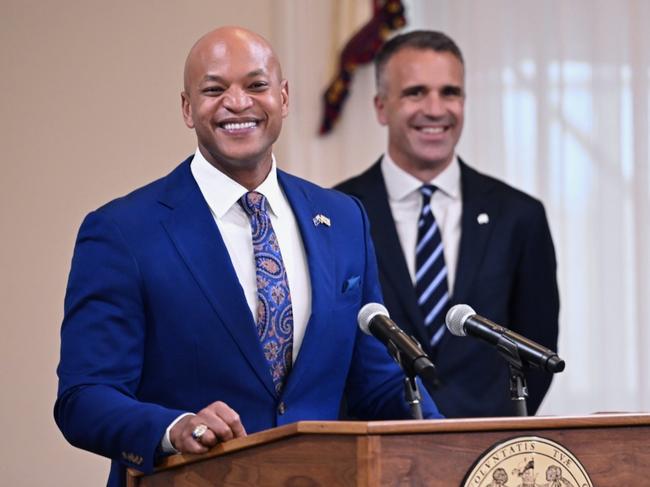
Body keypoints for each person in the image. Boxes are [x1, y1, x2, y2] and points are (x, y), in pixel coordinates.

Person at [54, 26, 441, 487]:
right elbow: (84, 396)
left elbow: (377, 382)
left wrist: (452, 451)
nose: (238, 103)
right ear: (186, 108)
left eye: (256, 86)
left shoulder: (343, 220)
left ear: (283, 97)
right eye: (214, 89)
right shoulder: (122, 231)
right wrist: (173, 428)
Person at [335, 30, 559, 417]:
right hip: (377, 451)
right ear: (381, 106)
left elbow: (535, 346)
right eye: (415, 92)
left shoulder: (519, 215)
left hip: (488, 455)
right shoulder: (334, 215)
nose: (435, 109)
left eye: (450, 92)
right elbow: (331, 350)